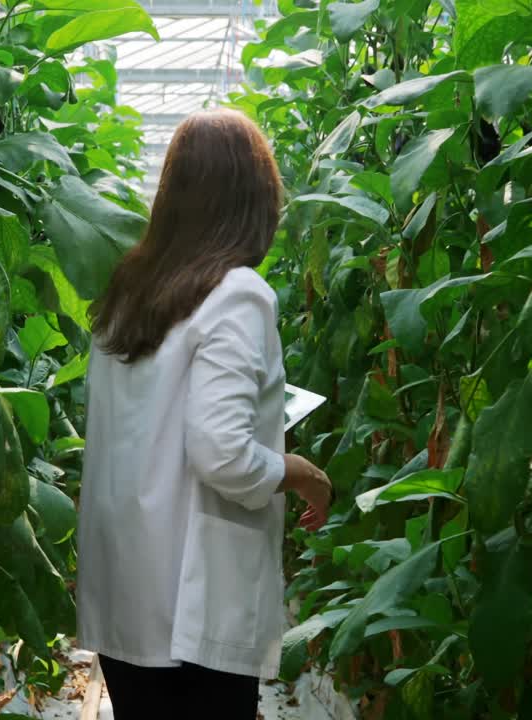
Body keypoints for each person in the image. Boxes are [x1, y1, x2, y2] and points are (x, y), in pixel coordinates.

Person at [75, 108, 333, 719]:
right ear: (255, 200)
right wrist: (302, 471)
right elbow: (220, 451)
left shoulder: (127, 293)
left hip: (128, 592)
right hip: (191, 608)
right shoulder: (238, 293)